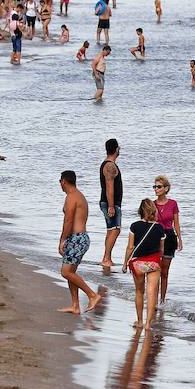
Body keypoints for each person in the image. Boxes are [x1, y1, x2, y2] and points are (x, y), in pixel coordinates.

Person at [56, 170, 101, 314]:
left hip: (77, 238)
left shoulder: (72, 197)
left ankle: (92, 295)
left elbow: (68, 220)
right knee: (71, 272)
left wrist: (62, 239)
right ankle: (75, 305)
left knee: (66, 272)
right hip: (79, 238)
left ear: (64, 181)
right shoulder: (78, 195)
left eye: (60, 182)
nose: (60, 185)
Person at [122, 199, 164, 329]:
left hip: (138, 264)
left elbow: (130, 247)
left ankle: (139, 322)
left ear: (140, 211)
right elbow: (161, 249)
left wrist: (124, 263)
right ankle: (148, 324)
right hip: (154, 264)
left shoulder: (134, 226)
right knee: (152, 293)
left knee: (139, 292)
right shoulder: (159, 227)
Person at [152, 176, 182, 305]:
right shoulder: (152, 204)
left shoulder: (173, 203)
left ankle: (162, 300)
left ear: (166, 188)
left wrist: (180, 239)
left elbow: (176, 223)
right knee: (155, 271)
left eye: (159, 187)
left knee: (164, 272)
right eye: (155, 186)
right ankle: (152, 298)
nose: (156, 189)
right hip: (156, 237)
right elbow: (149, 222)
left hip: (170, 237)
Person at [99, 138, 123, 270]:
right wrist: (111, 206)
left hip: (108, 202)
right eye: (119, 147)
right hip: (110, 203)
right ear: (116, 149)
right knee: (115, 230)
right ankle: (106, 258)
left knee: (111, 230)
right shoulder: (110, 166)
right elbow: (109, 187)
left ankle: (107, 257)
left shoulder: (107, 164)